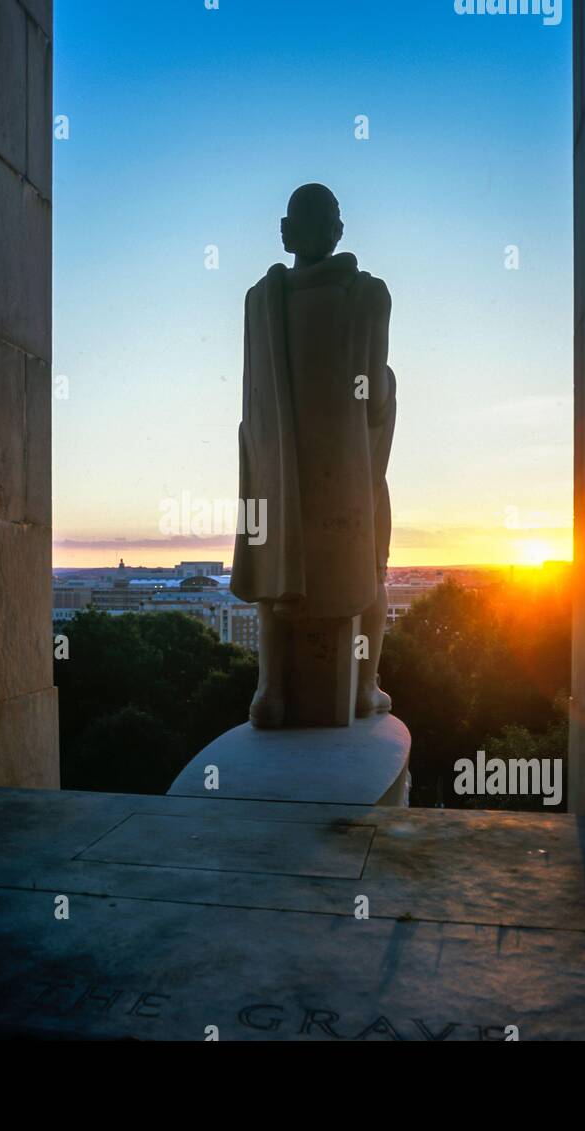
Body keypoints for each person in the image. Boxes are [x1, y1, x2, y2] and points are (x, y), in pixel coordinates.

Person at [231, 184, 396, 727]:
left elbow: (253, 400)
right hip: (344, 474)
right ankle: (363, 688)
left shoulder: (259, 299)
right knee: (370, 575)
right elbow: (374, 399)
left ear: (286, 232)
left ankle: (271, 692)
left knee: (277, 579)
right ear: (337, 232)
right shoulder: (367, 295)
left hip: (274, 474)